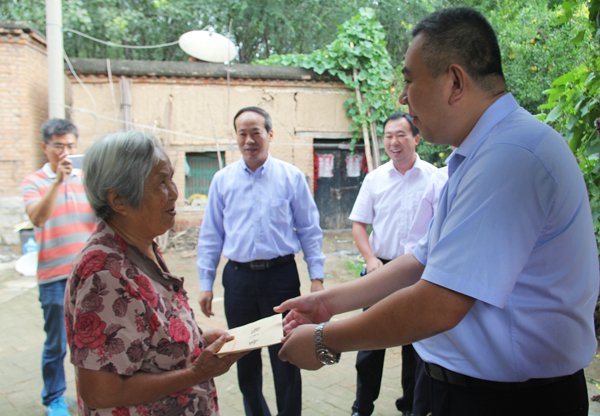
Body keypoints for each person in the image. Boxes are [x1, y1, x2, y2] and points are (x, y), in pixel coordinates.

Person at [275, 7, 599, 416]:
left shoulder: (511, 157)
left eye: (410, 80)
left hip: (511, 400)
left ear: (455, 82)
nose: (402, 97)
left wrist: (326, 339)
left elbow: (438, 303)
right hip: (468, 390)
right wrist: (327, 304)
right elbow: (421, 260)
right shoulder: (478, 156)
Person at [64, 131, 242, 415]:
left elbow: (146, 334)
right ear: (119, 200)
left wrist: (196, 341)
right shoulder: (105, 273)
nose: (174, 192)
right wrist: (196, 372)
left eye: (170, 179)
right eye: (161, 182)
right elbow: (100, 391)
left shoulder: (140, 246)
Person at [197, 106, 326, 416]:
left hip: (281, 277)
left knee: (287, 353)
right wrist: (205, 283)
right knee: (242, 357)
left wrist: (317, 277)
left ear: (270, 134)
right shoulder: (222, 180)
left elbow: (309, 229)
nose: (249, 140)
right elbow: (211, 234)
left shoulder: (291, 177)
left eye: (255, 132)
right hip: (238, 279)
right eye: (242, 133)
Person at [348, 111, 437, 416]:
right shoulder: (375, 179)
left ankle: (411, 407)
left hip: (419, 272)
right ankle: (362, 407)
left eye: (401, 135)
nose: (393, 142)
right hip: (381, 271)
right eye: (388, 136)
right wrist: (370, 259)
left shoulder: (435, 178)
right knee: (370, 344)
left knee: (415, 347)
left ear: (416, 138)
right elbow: (359, 225)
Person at [21, 118, 97, 416]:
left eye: (70, 146)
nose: (65, 152)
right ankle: (54, 398)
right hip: (53, 277)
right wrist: (57, 182)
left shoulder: (87, 179)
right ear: (45, 147)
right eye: (58, 146)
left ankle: (91, 396)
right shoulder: (33, 182)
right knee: (57, 343)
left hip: (88, 276)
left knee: (92, 341)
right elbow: (38, 218)